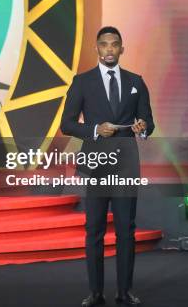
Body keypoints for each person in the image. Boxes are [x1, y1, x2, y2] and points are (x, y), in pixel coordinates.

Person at [60, 26, 154, 306]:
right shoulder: (82, 82)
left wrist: (143, 127)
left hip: (126, 165)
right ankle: (96, 292)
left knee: (126, 230)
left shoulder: (136, 81)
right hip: (97, 164)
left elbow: (148, 120)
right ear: (97, 49)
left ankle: (124, 292)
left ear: (122, 49)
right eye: (104, 44)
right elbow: (66, 124)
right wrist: (95, 129)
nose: (110, 49)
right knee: (95, 230)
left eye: (115, 44)